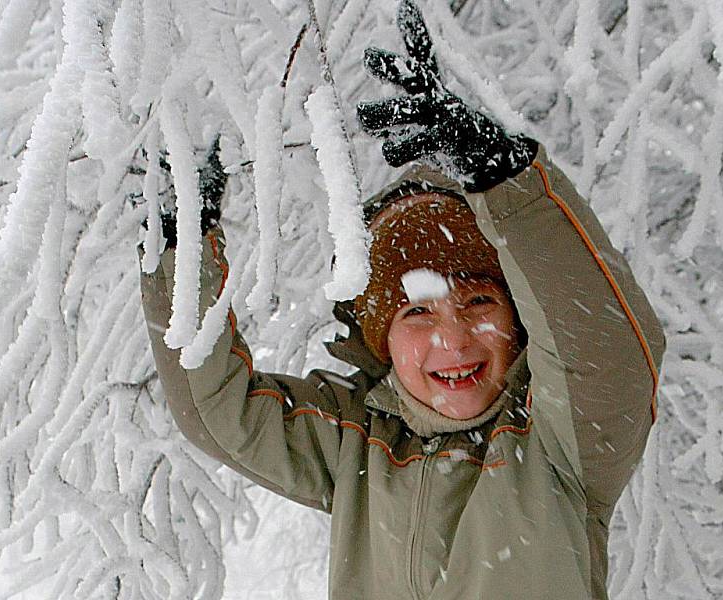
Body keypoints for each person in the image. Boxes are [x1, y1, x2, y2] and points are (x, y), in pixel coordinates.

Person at [139, 2, 666, 598]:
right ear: (380, 337)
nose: (453, 337)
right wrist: (181, 254)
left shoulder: (561, 445)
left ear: (522, 322)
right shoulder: (357, 444)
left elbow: (605, 350)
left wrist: (505, 182)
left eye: (479, 302)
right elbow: (216, 410)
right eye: (416, 311)